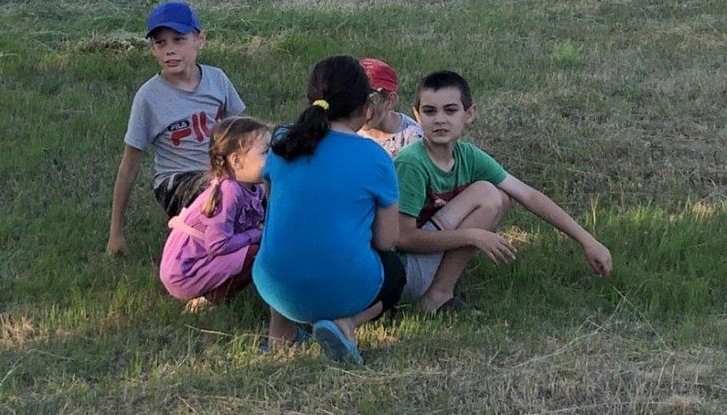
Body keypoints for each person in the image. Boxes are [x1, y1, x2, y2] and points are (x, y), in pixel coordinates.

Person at [393, 70, 612, 313]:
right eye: (430, 111)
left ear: (469, 114)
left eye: (450, 110)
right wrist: (472, 236)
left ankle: (440, 287)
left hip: (426, 259)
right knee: (487, 193)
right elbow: (402, 238)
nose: (440, 119)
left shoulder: (468, 155)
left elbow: (528, 195)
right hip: (403, 273)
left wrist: (588, 241)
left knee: (503, 197)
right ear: (417, 115)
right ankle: (437, 296)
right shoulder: (412, 163)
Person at [252, 57, 405, 366]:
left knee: (289, 240)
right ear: (365, 106)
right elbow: (387, 240)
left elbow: (274, 208)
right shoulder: (375, 156)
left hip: (273, 284)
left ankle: (279, 334)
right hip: (345, 290)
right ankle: (345, 324)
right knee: (395, 272)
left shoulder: (283, 142)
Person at [107, 0, 246, 255]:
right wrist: (116, 233)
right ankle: (202, 250)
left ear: (200, 40)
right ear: (152, 49)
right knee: (221, 195)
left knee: (263, 185)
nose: (170, 50)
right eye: (161, 43)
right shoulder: (149, 97)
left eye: (179, 40)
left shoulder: (217, 79)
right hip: (177, 180)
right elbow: (129, 164)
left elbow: (242, 134)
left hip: (221, 172)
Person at [159, 117, 271, 309]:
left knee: (261, 246)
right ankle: (207, 302)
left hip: (199, 262)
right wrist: (256, 234)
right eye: (266, 152)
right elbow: (219, 245)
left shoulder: (253, 186)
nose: (273, 158)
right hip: (184, 273)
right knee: (256, 253)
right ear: (236, 161)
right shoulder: (229, 191)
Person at [356, 58, 423, 156]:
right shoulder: (351, 130)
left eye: (370, 102)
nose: (361, 110)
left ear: (390, 100)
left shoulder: (412, 138)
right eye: (355, 100)